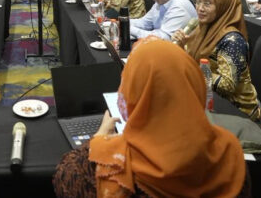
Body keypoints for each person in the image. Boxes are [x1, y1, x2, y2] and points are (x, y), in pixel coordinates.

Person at [53, 38, 249, 197]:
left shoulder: (105, 163)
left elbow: (64, 179)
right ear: (195, 86)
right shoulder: (229, 153)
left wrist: (97, 139)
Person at [173, 0, 261, 121]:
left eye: (207, 3)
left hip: (235, 109)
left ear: (223, 7)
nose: (200, 8)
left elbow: (226, 86)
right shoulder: (200, 27)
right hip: (205, 96)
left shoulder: (232, 40)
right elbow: (188, 61)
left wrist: (192, 69)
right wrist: (180, 46)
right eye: (198, 2)